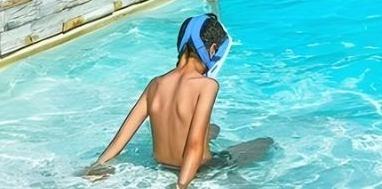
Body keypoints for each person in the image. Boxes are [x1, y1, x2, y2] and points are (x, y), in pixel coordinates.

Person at [84, 14, 270, 186]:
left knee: (213, 129)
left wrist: (97, 166)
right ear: (213, 50)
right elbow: (195, 144)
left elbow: (120, 140)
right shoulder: (207, 86)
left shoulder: (155, 84)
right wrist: (181, 186)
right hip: (198, 170)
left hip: (162, 164)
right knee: (265, 142)